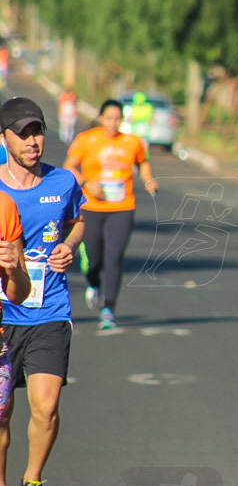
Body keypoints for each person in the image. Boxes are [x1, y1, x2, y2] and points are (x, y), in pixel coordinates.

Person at [0, 97, 84, 486]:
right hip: (2, 317)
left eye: (38, 131)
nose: (33, 141)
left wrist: (68, 248)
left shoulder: (63, 182)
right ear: (4, 139)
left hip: (49, 310)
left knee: (45, 408)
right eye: (23, 133)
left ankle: (32, 478)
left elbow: (76, 221)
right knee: (1, 413)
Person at [63, 99, 158, 330]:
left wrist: (149, 180)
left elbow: (142, 163)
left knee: (114, 257)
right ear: (101, 118)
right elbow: (69, 166)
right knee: (93, 259)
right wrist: (87, 182)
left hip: (122, 208)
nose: (114, 123)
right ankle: (93, 283)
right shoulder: (86, 140)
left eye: (118, 119)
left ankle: (108, 309)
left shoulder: (131, 142)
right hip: (92, 208)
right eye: (109, 118)